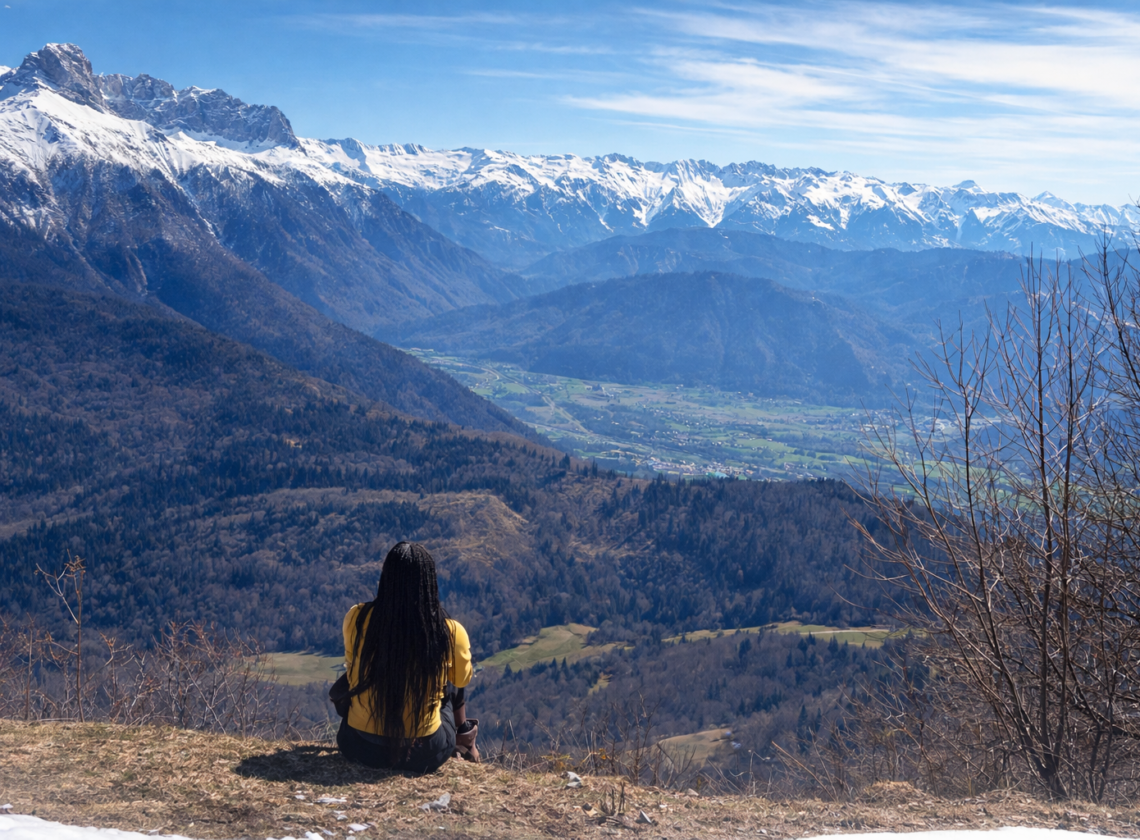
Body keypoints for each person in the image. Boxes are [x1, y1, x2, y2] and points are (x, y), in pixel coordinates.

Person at [335, 541, 478, 771]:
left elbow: (352, 670)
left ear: (386, 578)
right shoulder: (449, 632)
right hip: (423, 752)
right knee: (451, 683)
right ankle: (466, 742)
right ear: (429, 582)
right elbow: (462, 680)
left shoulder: (357, 618)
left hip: (358, 745)